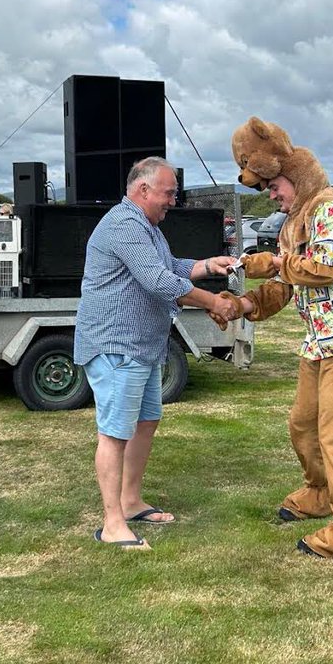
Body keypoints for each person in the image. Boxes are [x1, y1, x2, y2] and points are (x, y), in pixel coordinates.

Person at [220, 116, 333, 561]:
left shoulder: (328, 206)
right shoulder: (294, 220)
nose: (271, 194)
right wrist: (241, 306)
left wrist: (272, 263)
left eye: (274, 186)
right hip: (319, 343)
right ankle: (318, 492)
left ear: (290, 176)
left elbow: (325, 270)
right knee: (302, 425)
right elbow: (285, 289)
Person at [74, 157, 237, 548]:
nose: (172, 201)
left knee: (145, 423)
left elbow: (170, 265)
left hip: (144, 348)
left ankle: (130, 503)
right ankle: (112, 524)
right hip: (116, 346)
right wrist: (213, 302)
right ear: (143, 189)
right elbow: (157, 279)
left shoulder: (148, 227)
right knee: (114, 434)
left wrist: (205, 264)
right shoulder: (124, 223)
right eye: (169, 193)